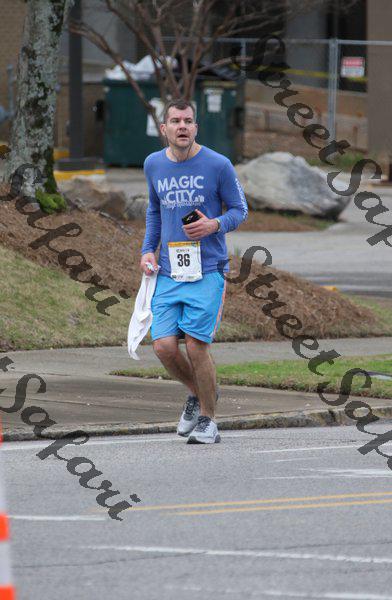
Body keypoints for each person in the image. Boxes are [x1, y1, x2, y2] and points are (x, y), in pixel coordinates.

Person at [140, 99, 248, 444]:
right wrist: (147, 250)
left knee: (196, 346)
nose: (182, 126)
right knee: (163, 347)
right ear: (164, 129)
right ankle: (199, 393)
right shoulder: (153, 164)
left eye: (188, 121)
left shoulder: (218, 164)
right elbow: (154, 211)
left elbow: (240, 210)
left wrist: (214, 224)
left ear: (196, 128)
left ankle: (208, 420)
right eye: (175, 121)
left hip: (208, 270)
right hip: (169, 272)